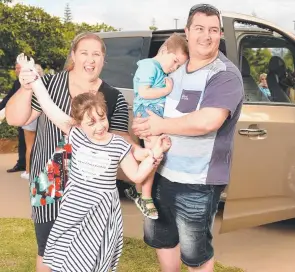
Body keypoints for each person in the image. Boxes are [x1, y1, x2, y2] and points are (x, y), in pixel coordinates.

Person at [15, 53, 172, 271]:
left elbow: (136, 175)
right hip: (74, 211)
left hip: (102, 214)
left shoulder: (118, 144)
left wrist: (155, 153)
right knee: (66, 261)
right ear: (79, 124)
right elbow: (49, 107)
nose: (99, 126)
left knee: (94, 261)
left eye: (102, 118)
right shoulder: (75, 134)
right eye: (91, 122)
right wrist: (32, 76)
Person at [5, 33, 140, 272]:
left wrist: (146, 150)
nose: (90, 59)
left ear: (103, 59)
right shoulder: (48, 84)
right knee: (47, 250)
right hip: (49, 178)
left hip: (91, 187)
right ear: (74, 56)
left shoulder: (113, 97)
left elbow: (121, 141)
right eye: (84, 53)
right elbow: (17, 118)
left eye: (96, 54)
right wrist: (27, 88)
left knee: (87, 253)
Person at [132, 4, 244, 271]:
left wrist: (161, 124)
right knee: (163, 239)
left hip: (197, 182)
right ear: (187, 31)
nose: (206, 36)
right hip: (160, 172)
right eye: (200, 29)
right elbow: (150, 106)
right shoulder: (172, 71)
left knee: (196, 254)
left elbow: (208, 121)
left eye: (213, 30)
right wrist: (144, 125)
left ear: (220, 35)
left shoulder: (224, 75)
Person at [124, 33, 189, 220]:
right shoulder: (148, 66)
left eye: (178, 66)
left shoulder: (161, 71)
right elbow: (143, 92)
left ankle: (137, 190)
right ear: (164, 50)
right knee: (154, 156)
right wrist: (166, 90)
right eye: (175, 61)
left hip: (155, 118)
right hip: (147, 116)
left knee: (153, 156)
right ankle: (145, 197)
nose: (174, 67)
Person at [0, 62, 26, 174]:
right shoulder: (17, 83)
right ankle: (21, 164)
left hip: (34, 118)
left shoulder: (32, 82)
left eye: (18, 68)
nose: (16, 70)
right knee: (22, 141)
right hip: (21, 117)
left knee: (32, 143)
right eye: (16, 68)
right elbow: (8, 98)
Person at [19, 63, 44, 180]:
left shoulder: (26, 87)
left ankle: (28, 171)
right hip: (42, 119)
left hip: (29, 118)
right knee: (39, 146)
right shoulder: (45, 87)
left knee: (29, 146)